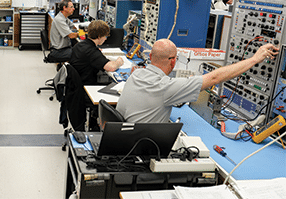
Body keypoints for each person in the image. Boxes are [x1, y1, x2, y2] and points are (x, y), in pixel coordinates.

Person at [116, 39, 279, 123]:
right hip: (142, 148)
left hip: (125, 139)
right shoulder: (166, 87)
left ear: (150, 57)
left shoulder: (136, 73)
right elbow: (214, 77)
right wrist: (254, 59)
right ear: (173, 62)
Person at [69, 20, 124, 85]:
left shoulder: (80, 44)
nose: (105, 39)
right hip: (85, 85)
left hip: (74, 83)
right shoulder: (92, 52)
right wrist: (119, 61)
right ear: (99, 36)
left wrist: (96, 51)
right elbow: (112, 67)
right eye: (105, 36)